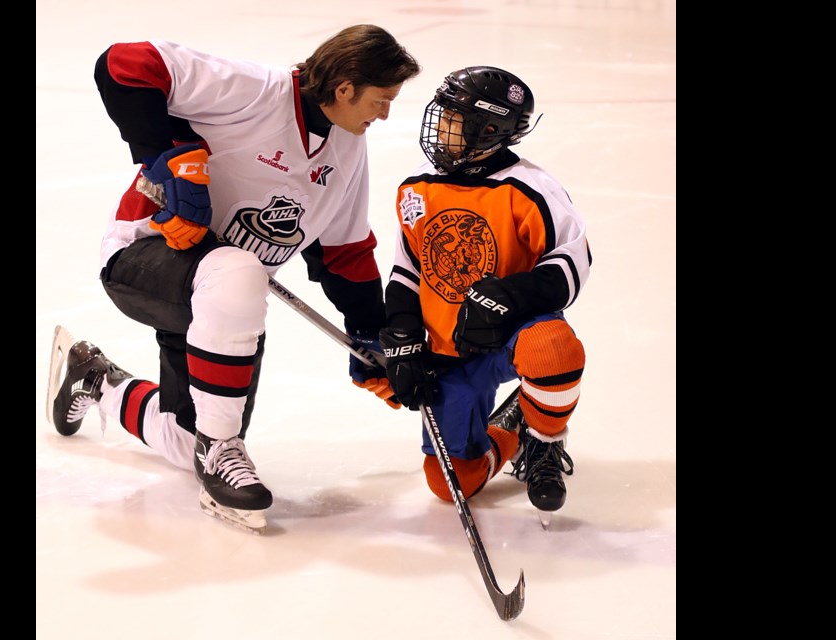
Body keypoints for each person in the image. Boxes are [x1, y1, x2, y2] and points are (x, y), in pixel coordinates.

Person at [47, 25, 421, 534]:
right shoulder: (254, 91)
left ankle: (97, 379)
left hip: (223, 302)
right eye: (382, 100)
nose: (385, 114)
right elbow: (125, 64)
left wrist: (368, 337)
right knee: (240, 271)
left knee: (188, 440)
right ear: (344, 88)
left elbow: (345, 252)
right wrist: (169, 156)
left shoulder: (347, 151)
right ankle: (223, 447)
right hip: (145, 255)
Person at [377, 66, 589, 525]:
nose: (440, 127)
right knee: (450, 482)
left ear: (489, 129)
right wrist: (402, 333)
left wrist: (509, 296)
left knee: (553, 351)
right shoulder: (418, 185)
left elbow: (572, 264)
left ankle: (545, 441)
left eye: (454, 118)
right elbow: (407, 268)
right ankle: (514, 422)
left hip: (512, 335)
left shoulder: (530, 188)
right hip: (450, 348)